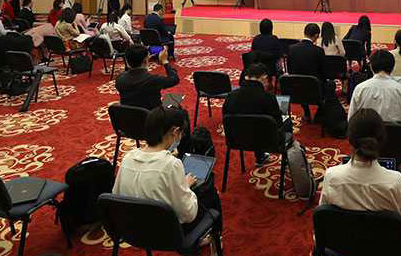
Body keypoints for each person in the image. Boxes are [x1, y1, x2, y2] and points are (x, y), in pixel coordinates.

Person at [319, 108, 401, 231]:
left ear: (350, 139)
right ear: (382, 140)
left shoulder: (332, 177)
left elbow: (324, 218)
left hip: (342, 242)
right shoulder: (396, 181)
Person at [112, 106, 201, 234]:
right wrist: (186, 187)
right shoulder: (172, 165)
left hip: (130, 229)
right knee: (206, 195)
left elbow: (116, 197)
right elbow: (188, 214)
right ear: (175, 132)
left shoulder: (127, 158)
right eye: (181, 133)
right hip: (163, 232)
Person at [223, 63, 289, 165]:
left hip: (237, 140)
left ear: (246, 77)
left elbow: (225, 119)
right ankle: (285, 157)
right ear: (264, 77)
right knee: (287, 122)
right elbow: (278, 124)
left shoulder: (230, 96)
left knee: (254, 123)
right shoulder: (268, 98)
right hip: (269, 141)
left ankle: (260, 156)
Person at [348, 50, 401, 127]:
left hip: (367, 133)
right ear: (393, 67)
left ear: (371, 67)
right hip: (395, 134)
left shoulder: (360, 88)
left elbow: (351, 120)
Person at [116, 45, 180, 110]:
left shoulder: (119, 79)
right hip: (153, 114)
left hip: (129, 114)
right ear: (146, 60)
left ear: (127, 61)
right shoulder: (153, 80)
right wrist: (165, 61)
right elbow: (174, 79)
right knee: (174, 100)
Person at [287, 23, 326, 120]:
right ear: (316, 36)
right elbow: (323, 72)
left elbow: (289, 70)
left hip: (296, 87)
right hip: (315, 88)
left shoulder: (291, 49)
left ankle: (306, 111)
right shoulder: (318, 51)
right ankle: (320, 112)